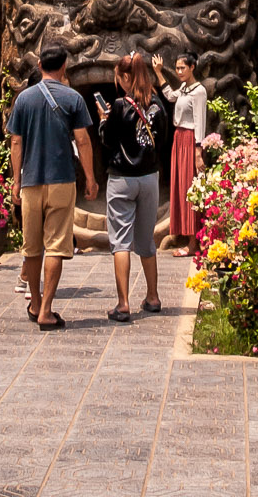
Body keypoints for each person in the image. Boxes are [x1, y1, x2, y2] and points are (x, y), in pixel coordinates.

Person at [6, 45, 97, 330]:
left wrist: (16, 181)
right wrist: (91, 178)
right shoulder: (73, 98)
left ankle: (34, 302)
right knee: (56, 245)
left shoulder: (23, 99)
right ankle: (46, 310)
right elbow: (82, 141)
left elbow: (16, 142)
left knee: (32, 248)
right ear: (64, 66)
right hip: (61, 180)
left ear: (40, 63)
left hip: (31, 182)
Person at [95, 52, 164, 320]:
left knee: (121, 242)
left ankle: (123, 304)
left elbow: (108, 141)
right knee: (147, 240)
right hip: (149, 177)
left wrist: (103, 119)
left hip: (122, 178)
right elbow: (163, 140)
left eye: (118, 78)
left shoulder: (119, 105)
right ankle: (153, 297)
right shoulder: (157, 103)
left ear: (126, 77)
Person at [153, 51, 207, 255]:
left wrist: (197, 151)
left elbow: (200, 121)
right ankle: (187, 237)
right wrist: (158, 73)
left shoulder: (199, 91)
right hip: (179, 140)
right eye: (177, 68)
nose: (179, 71)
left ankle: (194, 243)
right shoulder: (184, 88)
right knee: (182, 188)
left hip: (191, 141)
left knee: (191, 189)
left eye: (182, 68)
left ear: (193, 67)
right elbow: (169, 95)